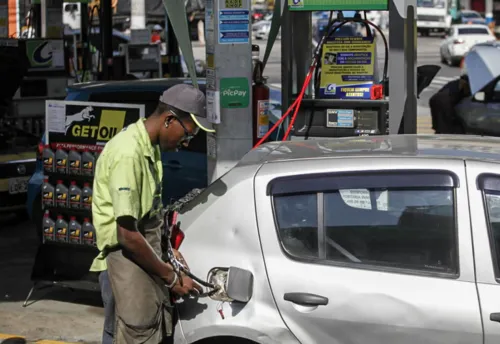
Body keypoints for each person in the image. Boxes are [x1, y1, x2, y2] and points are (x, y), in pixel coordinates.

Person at [90, 84, 216, 344]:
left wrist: (168, 250)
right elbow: (126, 235)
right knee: (135, 333)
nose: (186, 142)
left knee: (151, 328)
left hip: (143, 258)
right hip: (123, 261)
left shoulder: (150, 149)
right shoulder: (128, 154)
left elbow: (148, 213)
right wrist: (171, 277)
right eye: (187, 134)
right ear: (170, 119)